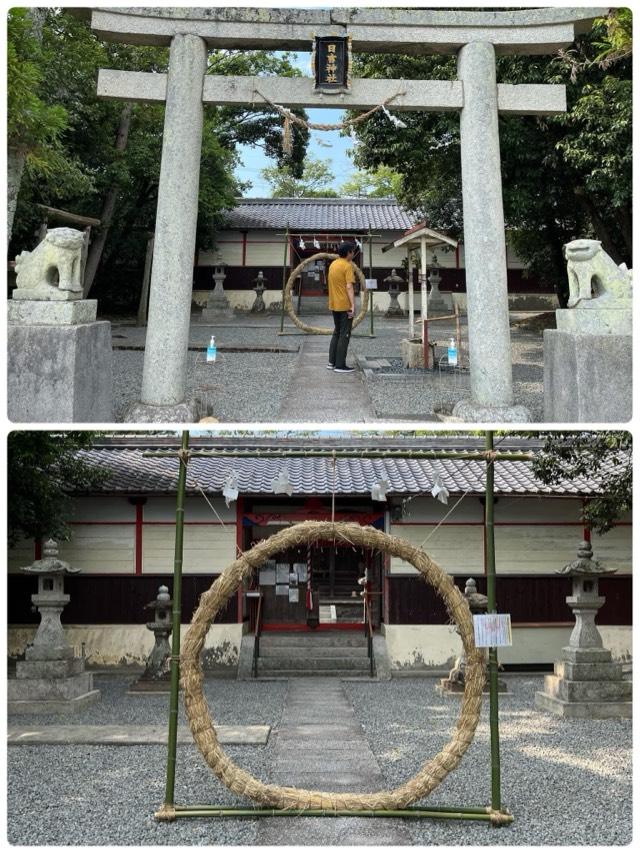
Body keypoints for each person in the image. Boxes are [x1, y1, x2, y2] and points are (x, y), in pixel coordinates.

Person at [327, 242, 357, 373]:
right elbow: (349, 286)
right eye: (352, 251)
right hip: (344, 305)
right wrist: (352, 305)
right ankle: (340, 365)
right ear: (349, 252)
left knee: (337, 332)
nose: (353, 253)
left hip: (334, 303)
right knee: (344, 334)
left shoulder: (333, 264)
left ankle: (331, 362)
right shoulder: (347, 266)